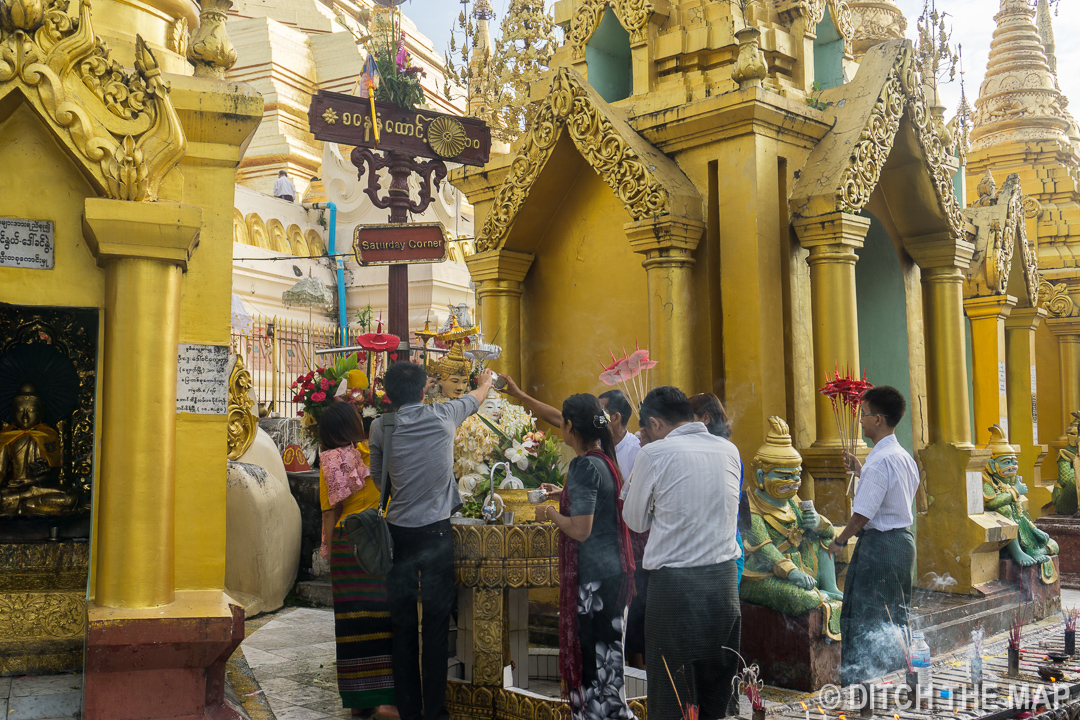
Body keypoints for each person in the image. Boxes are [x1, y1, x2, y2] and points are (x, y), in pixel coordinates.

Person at [370, 361, 494, 720]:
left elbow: (380, 479)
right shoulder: (444, 416)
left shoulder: (381, 426)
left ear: (388, 395)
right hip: (437, 532)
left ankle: (409, 710)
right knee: (436, 625)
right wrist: (485, 380)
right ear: (424, 391)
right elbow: (477, 397)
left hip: (399, 534)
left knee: (403, 624)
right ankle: (435, 712)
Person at [622, 386, 743, 718]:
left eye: (645, 428)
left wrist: (640, 469)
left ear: (657, 424)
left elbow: (634, 521)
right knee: (716, 691)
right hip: (723, 584)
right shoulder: (729, 450)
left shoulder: (654, 454)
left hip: (676, 590)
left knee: (671, 691)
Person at [535, 394, 636, 720]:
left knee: (592, 658)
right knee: (606, 656)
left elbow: (580, 529)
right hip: (611, 574)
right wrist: (562, 494)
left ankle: (597, 716)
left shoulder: (582, 465)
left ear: (568, 426)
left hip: (593, 579)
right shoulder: (605, 459)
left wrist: (549, 511)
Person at [827, 386, 920, 687]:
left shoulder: (881, 461)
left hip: (881, 547)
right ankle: (896, 677)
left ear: (879, 420)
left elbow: (864, 513)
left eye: (864, 415)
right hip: (901, 543)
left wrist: (840, 540)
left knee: (869, 616)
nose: (861, 421)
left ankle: (866, 685)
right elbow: (895, 495)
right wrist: (861, 470)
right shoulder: (901, 456)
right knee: (893, 614)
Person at [318, 401, 395, 717]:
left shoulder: (329, 462)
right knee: (382, 619)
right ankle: (386, 694)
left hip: (347, 546)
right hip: (380, 540)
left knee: (350, 625)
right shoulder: (375, 449)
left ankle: (360, 703)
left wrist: (326, 553)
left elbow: (327, 515)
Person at [599, 389, 648, 670]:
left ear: (616, 417)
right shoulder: (602, 446)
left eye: (602, 413)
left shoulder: (636, 450)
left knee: (636, 618)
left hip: (635, 544)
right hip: (612, 546)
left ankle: (639, 678)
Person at [688, 392, 748, 585]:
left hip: (724, 546)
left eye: (689, 418)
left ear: (705, 418)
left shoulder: (725, 454)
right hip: (708, 544)